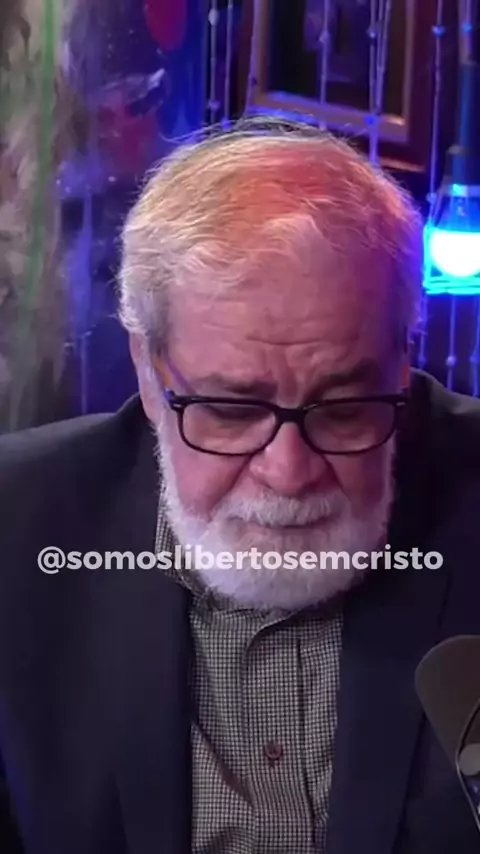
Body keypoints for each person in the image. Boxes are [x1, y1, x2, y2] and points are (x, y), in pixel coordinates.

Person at [1, 117, 480, 854]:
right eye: (230, 410)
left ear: (403, 361)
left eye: (345, 408)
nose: (289, 472)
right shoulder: (16, 528)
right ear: (149, 372)